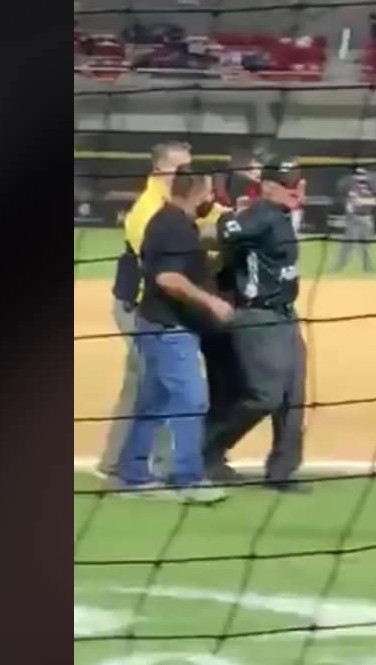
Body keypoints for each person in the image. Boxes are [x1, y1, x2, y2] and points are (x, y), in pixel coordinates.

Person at [112, 166, 234, 502]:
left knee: (154, 401)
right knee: (191, 400)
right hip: (168, 327)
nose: (211, 197)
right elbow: (168, 278)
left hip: (156, 323)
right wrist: (211, 300)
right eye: (208, 191)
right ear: (195, 191)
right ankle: (188, 479)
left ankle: (133, 474)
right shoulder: (174, 227)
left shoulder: (170, 221)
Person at [202, 154, 309, 493]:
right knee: (265, 396)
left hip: (285, 314)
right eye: (290, 185)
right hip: (258, 316)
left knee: (294, 396)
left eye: (300, 183)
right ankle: (207, 448)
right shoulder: (261, 214)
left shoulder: (280, 214)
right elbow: (216, 232)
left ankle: (281, 472)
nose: (297, 190)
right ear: (268, 187)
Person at [98, 141, 192, 480]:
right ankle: (142, 465)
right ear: (161, 168)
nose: (189, 174)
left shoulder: (173, 202)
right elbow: (155, 266)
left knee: (145, 383)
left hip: (151, 308)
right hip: (137, 306)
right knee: (162, 383)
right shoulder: (147, 209)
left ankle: (117, 461)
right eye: (182, 167)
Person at [332, 168, 376, 273]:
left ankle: (368, 267)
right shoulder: (350, 188)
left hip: (366, 217)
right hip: (354, 218)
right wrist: (353, 205)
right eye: (358, 175)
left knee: (365, 245)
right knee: (347, 244)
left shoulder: (369, 188)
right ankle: (339, 265)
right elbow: (349, 202)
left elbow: (374, 202)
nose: (360, 178)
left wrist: (361, 201)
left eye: (362, 175)